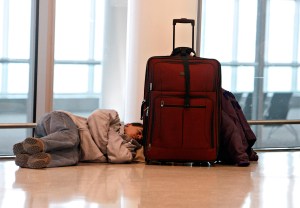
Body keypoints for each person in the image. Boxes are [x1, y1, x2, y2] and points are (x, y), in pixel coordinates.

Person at [13, 109, 144, 169]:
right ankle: (40, 144)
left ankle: (30, 158)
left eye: (142, 138)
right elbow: (96, 117)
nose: (140, 136)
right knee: (72, 137)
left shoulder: (127, 148)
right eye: (140, 131)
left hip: (69, 146)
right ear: (128, 125)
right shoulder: (114, 120)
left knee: (73, 158)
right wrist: (109, 147)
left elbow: (121, 157)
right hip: (62, 121)